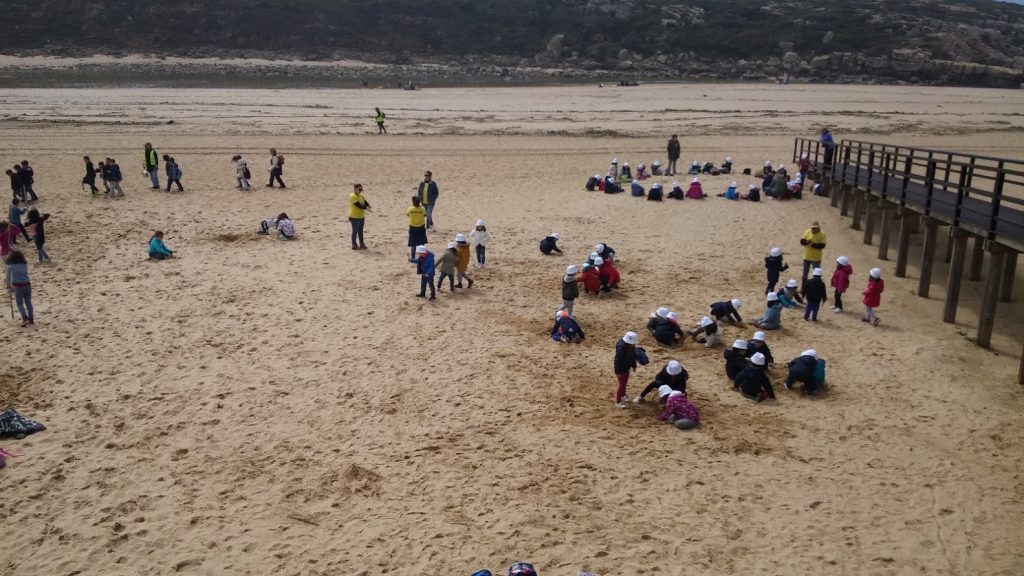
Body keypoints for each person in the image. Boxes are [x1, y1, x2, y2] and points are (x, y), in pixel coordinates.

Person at [5, 250, 33, 326]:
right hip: (27, 285)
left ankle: (25, 318)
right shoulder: (25, 264)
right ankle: (31, 318)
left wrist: (8, 286)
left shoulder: (10, 266)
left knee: (19, 304)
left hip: (18, 286)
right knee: (28, 302)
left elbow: (7, 277)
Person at [613, 331, 640, 408]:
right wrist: (617, 371)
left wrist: (633, 365)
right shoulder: (621, 347)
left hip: (626, 367)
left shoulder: (630, 346)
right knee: (621, 385)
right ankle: (618, 402)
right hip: (621, 368)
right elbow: (617, 359)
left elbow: (632, 356)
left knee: (624, 382)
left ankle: (623, 395)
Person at [800, 221, 827, 287]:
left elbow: (822, 245)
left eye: (815, 228)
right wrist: (807, 242)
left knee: (817, 274)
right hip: (807, 256)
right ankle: (803, 288)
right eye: (812, 228)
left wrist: (812, 244)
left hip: (816, 258)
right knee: (804, 274)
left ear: (818, 228)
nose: (813, 229)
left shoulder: (822, 234)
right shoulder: (807, 232)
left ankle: (816, 288)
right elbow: (802, 241)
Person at [348, 183, 370, 250]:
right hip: (354, 217)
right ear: (355, 189)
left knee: (360, 231)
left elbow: (365, 202)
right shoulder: (352, 196)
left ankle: (361, 244)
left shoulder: (361, 196)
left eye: (361, 189)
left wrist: (368, 205)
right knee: (355, 231)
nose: (360, 191)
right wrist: (366, 208)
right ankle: (354, 245)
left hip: (361, 217)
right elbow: (358, 205)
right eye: (359, 189)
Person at [407, 197, 428, 261]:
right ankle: (422, 256)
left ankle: (413, 257)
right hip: (421, 227)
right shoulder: (422, 209)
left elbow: (408, 215)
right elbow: (424, 215)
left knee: (413, 244)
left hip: (413, 227)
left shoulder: (410, 209)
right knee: (421, 243)